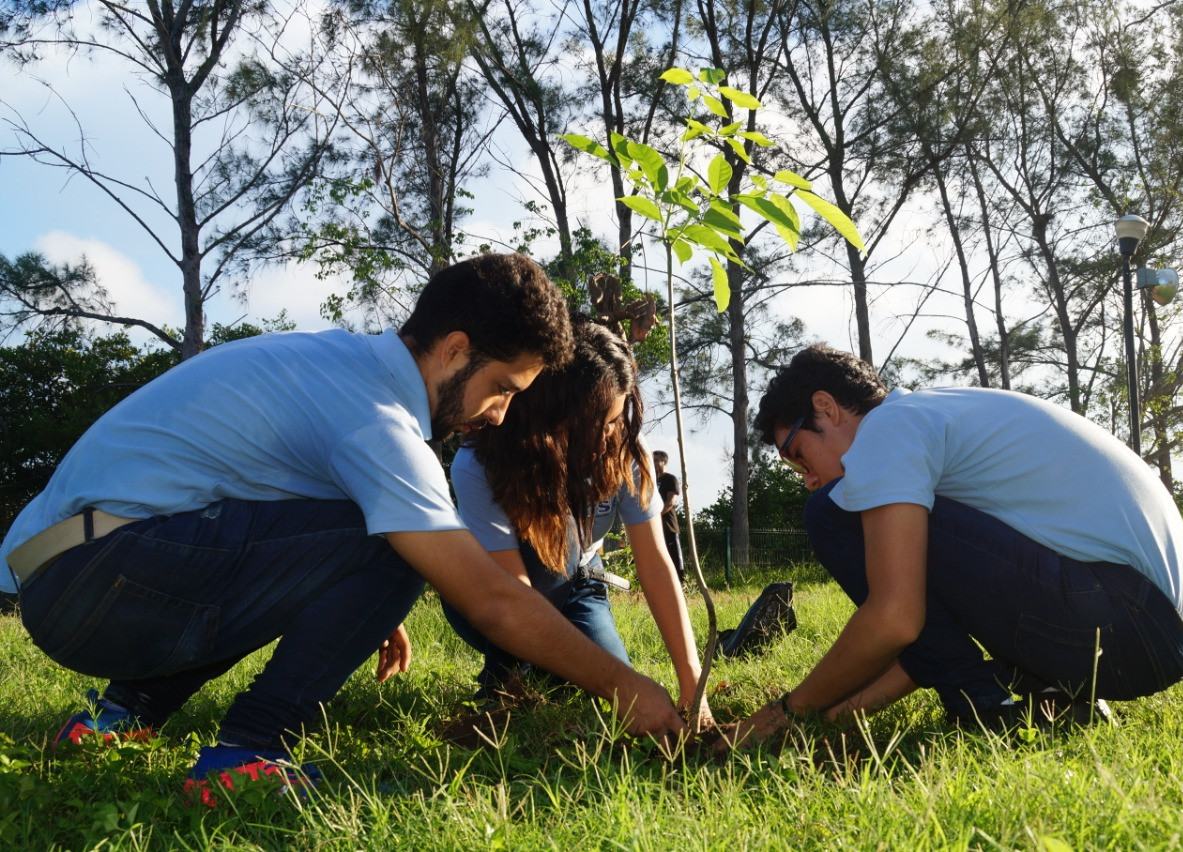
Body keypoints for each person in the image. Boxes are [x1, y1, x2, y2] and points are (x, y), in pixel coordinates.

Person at [1, 254, 684, 804]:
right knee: (399, 543)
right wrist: (633, 690)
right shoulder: (379, 421)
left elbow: (271, 508)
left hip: (66, 573)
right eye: (503, 387)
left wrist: (336, 598)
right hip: (105, 580)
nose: (501, 414)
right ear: (454, 350)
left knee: (383, 534)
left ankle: (116, 720)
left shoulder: (337, 363)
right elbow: (494, 599)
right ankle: (250, 749)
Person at [726, 344, 1183, 745]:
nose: (806, 477)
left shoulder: (887, 432)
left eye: (798, 455)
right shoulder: (935, 415)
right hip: (1155, 639)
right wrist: (837, 716)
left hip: (1123, 618)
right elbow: (936, 635)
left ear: (826, 407)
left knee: (830, 511)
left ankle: (984, 707)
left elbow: (897, 618)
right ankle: (1047, 698)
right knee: (871, 525)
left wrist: (786, 711)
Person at [443, 319, 713, 728]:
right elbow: (511, 597)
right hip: (494, 595)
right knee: (561, 533)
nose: (611, 437)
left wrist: (692, 683)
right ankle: (505, 675)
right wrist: (623, 685)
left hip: (580, 585)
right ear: (554, 415)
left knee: (598, 682)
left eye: (617, 421)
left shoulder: (624, 451)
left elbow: (656, 565)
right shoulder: (479, 463)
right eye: (599, 424)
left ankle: (545, 669)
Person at [652, 450, 685, 584]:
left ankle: (681, 582)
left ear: (664, 462)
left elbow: (671, 502)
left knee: (674, 557)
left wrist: (655, 515)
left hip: (668, 525)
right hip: (654, 528)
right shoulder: (652, 480)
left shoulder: (670, 479)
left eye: (655, 460)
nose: (653, 463)